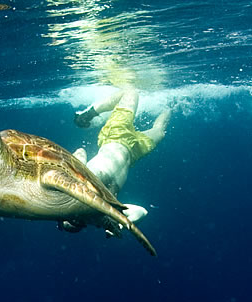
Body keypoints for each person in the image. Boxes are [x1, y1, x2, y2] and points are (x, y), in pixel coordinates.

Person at [60, 88, 171, 235]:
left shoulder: (75, 186)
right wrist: (121, 224)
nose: (75, 219)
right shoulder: (102, 212)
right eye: (77, 222)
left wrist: (67, 170)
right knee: (160, 131)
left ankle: (88, 114)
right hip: (133, 153)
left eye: (68, 218)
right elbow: (141, 211)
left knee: (130, 92)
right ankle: (169, 105)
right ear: (83, 224)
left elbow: (81, 151)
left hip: (115, 135)